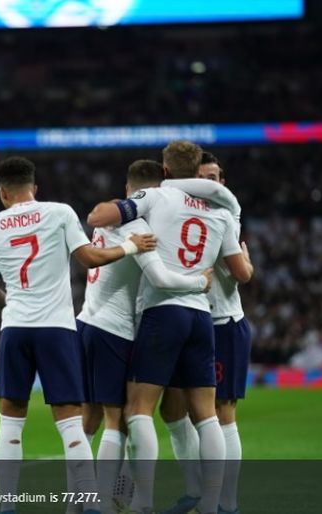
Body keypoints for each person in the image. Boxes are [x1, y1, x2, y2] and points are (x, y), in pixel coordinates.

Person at [0, 156, 157, 514]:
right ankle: (89, 503)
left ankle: (6, 507)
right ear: (35, 187)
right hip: (56, 330)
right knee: (71, 421)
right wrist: (132, 246)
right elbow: (90, 258)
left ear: (2, 192)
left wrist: (13, 302)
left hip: (15, 329)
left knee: (11, 421)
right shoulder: (58, 212)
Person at [87, 141, 253, 514]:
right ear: (198, 172)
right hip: (202, 318)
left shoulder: (156, 197)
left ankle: (142, 499)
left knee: (139, 408)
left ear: (164, 169)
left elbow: (99, 217)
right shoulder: (221, 213)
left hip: (163, 312)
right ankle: (213, 502)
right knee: (207, 414)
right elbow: (239, 270)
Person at [76, 159, 213, 514]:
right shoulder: (137, 225)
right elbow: (159, 278)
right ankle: (102, 503)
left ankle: (86, 500)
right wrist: (201, 282)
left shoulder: (116, 218)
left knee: (88, 419)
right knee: (116, 419)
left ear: (128, 190)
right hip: (114, 329)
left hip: (88, 321)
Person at [159, 152, 252, 514]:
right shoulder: (181, 212)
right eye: (203, 177)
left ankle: (226, 503)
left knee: (220, 413)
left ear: (223, 182)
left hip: (222, 323)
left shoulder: (225, 215)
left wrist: (247, 266)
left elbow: (241, 273)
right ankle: (196, 491)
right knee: (171, 409)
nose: (210, 183)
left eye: (215, 177)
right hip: (188, 321)